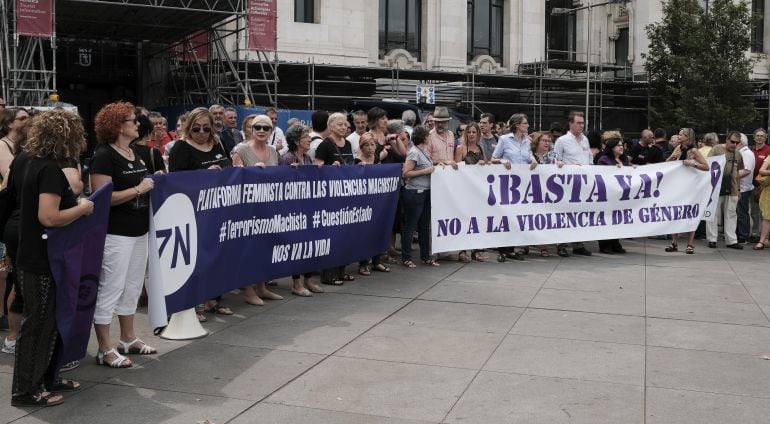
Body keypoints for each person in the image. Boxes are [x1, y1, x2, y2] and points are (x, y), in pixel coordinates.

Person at [11, 109, 93, 407]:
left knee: (49, 323)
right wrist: (82, 208)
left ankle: (46, 378)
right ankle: (26, 390)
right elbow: (49, 217)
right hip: (42, 258)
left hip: (39, 254)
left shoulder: (31, 161)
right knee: (39, 325)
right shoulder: (48, 169)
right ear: (67, 137)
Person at [90, 102, 158, 369]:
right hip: (116, 233)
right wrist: (139, 189)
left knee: (132, 287)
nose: (138, 124)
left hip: (139, 230)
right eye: (132, 120)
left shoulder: (134, 152)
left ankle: (128, 338)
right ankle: (104, 347)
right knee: (111, 287)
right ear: (118, 126)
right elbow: (102, 197)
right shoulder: (104, 155)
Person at [169, 107, 233, 320]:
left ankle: (213, 299)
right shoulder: (181, 147)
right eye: (196, 128)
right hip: (192, 210)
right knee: (196, 258)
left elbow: (228, 169)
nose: (202, 133)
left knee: (217, 255)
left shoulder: (217, 143)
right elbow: (175, 181)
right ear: (189, 127)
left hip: (217, 209)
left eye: (206, 128)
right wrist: (204, 174)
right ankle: (193, 304)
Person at [231, 114, 284, 304]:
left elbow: (278, 175)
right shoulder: (241, 150)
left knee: (265, 247)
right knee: (248, 250)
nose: (262, 131)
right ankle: (248, 290)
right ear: (251, 129)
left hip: (268, 206)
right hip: (247, 208)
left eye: (266, 128)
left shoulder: (273, 151)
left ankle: (262, 287)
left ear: (271, 131)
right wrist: (252, 170)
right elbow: (234, 178)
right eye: (258, 127)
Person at [279, 124, 326, 295]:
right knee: (297, 246)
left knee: (310, 245)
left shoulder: (307, 158)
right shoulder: (287, 158)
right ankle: (296, 283)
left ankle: (308, 280)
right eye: (306, 137)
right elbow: (280, 182)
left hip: (308, 208)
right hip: (293, 209)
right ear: (297, 141)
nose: (309, 139)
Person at [315, 113, 356, 284]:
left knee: (344, 236)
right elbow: (317, 168)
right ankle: (328, 275)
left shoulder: (347, 143)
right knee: (331, 237)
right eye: (340, 124)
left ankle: (341, 271)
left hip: (345, 196)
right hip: (329, 198)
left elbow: (350, 165)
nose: (344, 127)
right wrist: (329, 167)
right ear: (331, 126)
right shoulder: (324, 145)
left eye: (345, 124)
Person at [490, 113, 537, 262]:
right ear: (517, 125)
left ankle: (511, 249)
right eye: (525, 123)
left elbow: (528, 155)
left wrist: (533, 159)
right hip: (506, 184)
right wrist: (502, 161)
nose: (528, 125)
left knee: (517, 216)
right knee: (506, 216)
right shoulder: (504, 139)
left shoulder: (527, 141)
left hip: (522, 185)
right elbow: (493, 158)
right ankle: (502, 250)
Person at [553, 111, 594, 257]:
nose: (581, 125)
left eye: (583, 123)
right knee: (565, 214)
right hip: (567, 184)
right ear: (570, 123)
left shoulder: (585, 140)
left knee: (580, 214)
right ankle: (561, 245)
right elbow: (554, 160)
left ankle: (578, 244)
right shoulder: (562, 140)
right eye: (578, 123)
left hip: (583, 183)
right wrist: (564, 164)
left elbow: (590, 159)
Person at [663, 128, 709, 254]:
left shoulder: (694, 150)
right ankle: (674, 242)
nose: (678, 136)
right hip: (678, 185)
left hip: (690, 187)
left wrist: (693, 164)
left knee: (690, 214)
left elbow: (706, 167)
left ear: (687, 137)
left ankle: (690, 244)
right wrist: (672, 157)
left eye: (681, 134)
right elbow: (666, 164)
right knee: (675, 213)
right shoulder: (678, 148)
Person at [354, 132, 391, 275]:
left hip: (376, 202)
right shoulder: (357, 161)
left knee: (377, 231)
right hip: (362, 203)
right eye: (367, 145)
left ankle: (377, 261)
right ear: (361, 147)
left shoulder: (375, 158)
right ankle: (363, 264)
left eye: (372, 144)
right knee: (364, 234)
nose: (370, 148)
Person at [401, 125, 438, 268]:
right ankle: (406, 258)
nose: (430, 137)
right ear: (423, 137)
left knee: (424, 226)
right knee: (411, 226)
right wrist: (426, 171)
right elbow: (406, 173)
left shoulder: (423, 152)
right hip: (415, 192)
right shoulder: (414, 152)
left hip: (425, 192)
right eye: (428, 135)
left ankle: (426, 256)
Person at [706, 131, 747, 249]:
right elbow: (708, 165)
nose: (734, 144)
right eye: (732, 142)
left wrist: (738, 189)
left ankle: (731, 240)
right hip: (716, 186)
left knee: (731, 214)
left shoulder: (738, 154)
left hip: (732, 187)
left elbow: (738, 172)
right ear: (727, 140)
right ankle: (712, 239)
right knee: (713, 214)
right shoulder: (716, 149)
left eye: (737, 143)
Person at [454, 122, 486, 262]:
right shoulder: (460, 148)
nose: (471, 134)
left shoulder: (481, 148)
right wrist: (473, 166)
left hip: (478, 190)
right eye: (469, 132)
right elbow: (456, 168)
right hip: (464, 189)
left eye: (474, 132)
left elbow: (486, 166)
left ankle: (477, 250)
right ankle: (462, 250)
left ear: (478, 134)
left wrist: (486, 164)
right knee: (464, 219)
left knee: (478, 220)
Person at [595, 132, 632, 254]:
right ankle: (605, 245)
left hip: (620, 197)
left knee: (617, 220)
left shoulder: (624, 159)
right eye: (618, 145)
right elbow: (601, 176)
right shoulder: (604, 160)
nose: (621, 147)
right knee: (607, 220)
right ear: (611, 148)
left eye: (622, 145)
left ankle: (615, 242)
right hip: (607, 196)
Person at [530, 131, 558, 257]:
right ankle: (526, 245)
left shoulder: (552, 155)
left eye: (549, 141)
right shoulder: (530, 155)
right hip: (532, 191)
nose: (547, 143)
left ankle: (543, 246)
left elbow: (558, 163)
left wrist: (560, 163)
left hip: (548, 192)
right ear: (537, 142)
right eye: (544, 141)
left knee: (544, 219)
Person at [750, 128, 770, 243]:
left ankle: (765, 236)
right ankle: (755, 233)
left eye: (762, 136)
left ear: (765, 138)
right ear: (754, 137)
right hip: (753, 185)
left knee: (765, 212)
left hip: (765, 185)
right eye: (757, 135)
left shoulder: (769, 150)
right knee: (754, 211)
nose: (759, 137)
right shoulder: (751, 150)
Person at [736, 134, 755, 244]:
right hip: (740, 187)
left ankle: (743, 236)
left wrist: (732, 175)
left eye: (736, 142)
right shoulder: (742, 152)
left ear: (741, 142)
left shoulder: (746, 153)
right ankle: (739, 234)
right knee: (739, 212)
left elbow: (746, 170)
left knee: (742, 212)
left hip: (743, 188)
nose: (734, 144)